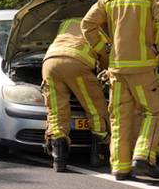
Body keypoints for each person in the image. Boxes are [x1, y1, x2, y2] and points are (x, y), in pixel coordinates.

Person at [81, 0, 159, 182]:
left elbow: (87, 25)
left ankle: (120, 167)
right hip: (144, 68)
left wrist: (105, 48)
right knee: (153, 113)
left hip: (117, 70)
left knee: (119, 118)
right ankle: (143, 156)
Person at [42, 18, 109, 172]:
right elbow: (104, 56)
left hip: (49, 63)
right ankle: (98, 155)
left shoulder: (66, 23)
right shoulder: (97, 28)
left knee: (57, 111)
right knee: (95, 108)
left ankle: (59, 159)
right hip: (77, 64)